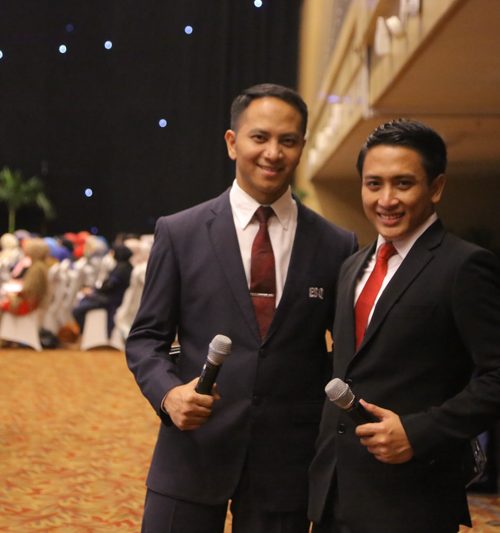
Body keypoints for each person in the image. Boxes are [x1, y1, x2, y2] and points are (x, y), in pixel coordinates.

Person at [125, 83, 357, 533]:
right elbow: (146, 339)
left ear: (302, 147)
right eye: (259, 137)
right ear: (233, 143)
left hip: (287, 461)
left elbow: (347, 353)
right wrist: (168, 394)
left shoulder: (336, 244)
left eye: (288, 140)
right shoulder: (180, 232)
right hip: (192, 448)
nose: (273, 152)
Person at [308, 118, 500, 533]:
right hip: (336, 493)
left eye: (403, 184)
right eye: (373, 184)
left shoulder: (464, 266)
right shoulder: (351, 267)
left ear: (436, 187)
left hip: (412, 498)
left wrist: (418, 432)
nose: (386, 199)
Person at [73, 244, 133, 336]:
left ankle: (84, 333)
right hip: (113, 297)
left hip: (111, 300)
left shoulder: (121, 268)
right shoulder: (127, 266)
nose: (112, 254)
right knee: (84, 300)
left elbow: (110, 285)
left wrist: (94, 291)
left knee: (77, 310)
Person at [0, 237, 50, 316]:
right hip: (35, 303)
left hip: (29, 306)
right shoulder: (41, 265)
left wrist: (12, 295)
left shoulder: (37, 268)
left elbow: (28, 291)